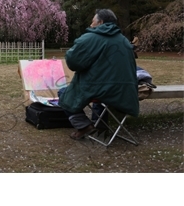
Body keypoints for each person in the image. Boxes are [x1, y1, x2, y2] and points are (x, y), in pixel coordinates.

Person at [58, 9, 139, 140]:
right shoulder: (124, 41)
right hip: (126, 91)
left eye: (92, 21)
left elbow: (73, 63)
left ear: (100, 22)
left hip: (102, 90)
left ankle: (83, 126)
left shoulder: (90, 38)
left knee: (63, 93)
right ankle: (100, 124)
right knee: (102, 91)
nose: (91, 25)